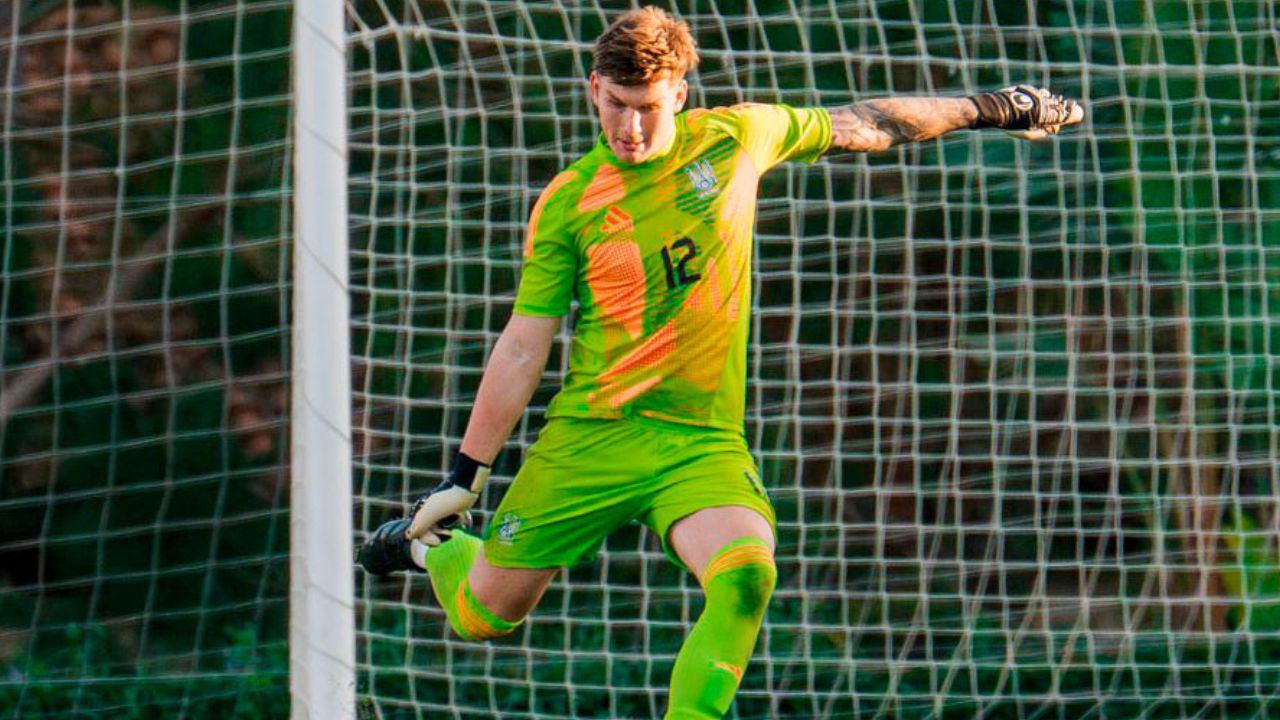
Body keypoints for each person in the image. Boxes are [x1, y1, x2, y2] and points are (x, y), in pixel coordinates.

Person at [359, 6, 1082, 718]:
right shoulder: (570, 203)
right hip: (590, 438)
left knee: (747, 575)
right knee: (484, 619)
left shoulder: (736, 137)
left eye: (646, 107)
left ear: (679, 93)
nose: (629, 128)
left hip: (698, 441)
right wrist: (465, 475)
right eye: (614, 106)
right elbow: (524, 343)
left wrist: (989, 108)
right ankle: (437, 552)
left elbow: (871, 123)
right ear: (592, 90)